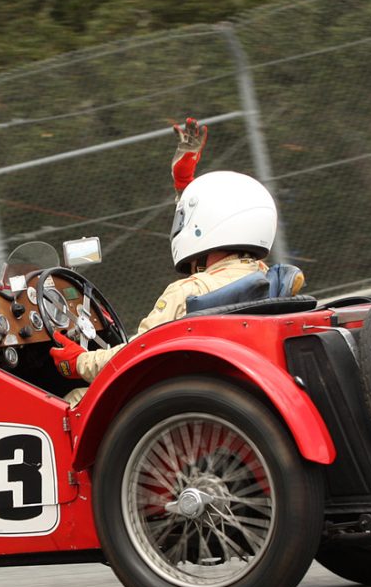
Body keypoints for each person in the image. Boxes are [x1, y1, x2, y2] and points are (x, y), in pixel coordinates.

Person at [50, 117, 298, 398]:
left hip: (176, 393)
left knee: (71, 399)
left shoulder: (188, 292)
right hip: (239, 387)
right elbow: (215, 217)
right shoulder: (265, 279)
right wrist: (184, 185)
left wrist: (79, 361)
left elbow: (135, 353)